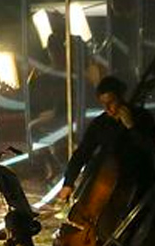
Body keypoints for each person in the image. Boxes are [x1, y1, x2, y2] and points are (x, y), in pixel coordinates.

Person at [58, 75, 155, 204]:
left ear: (120, 98)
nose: (107, 108)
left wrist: (132, 127)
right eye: (103, 104)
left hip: (139, 185)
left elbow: (150, 148)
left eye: (111, 102)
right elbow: (82, 153)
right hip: (109, 187)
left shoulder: (142, 117)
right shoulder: (100, 123)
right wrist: (68, 183)